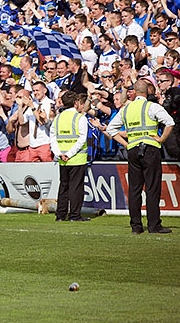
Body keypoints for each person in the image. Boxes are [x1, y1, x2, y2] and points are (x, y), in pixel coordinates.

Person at [106, 80, 175, 234]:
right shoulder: (152, 106)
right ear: (148, 91)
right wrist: (162, 139)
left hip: (133, 150)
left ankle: (136, 226)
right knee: (152, 188)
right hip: (150, 149)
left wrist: (125, 144)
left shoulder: (126, 109)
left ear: (135, 92)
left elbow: (111, 129)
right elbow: (170, 123)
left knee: (135, 190)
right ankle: (154, 225)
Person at [50, 91, 89, 222]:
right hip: (76, 158)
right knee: (76, 187)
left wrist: (59, 153)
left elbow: (53, 138)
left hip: (62, 158)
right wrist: (69, 154)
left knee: (64, 187)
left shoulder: (58, 118)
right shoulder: (80, 118)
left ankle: (60, 215)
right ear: (76, 103)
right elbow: (82, 138)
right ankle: (74, 215)